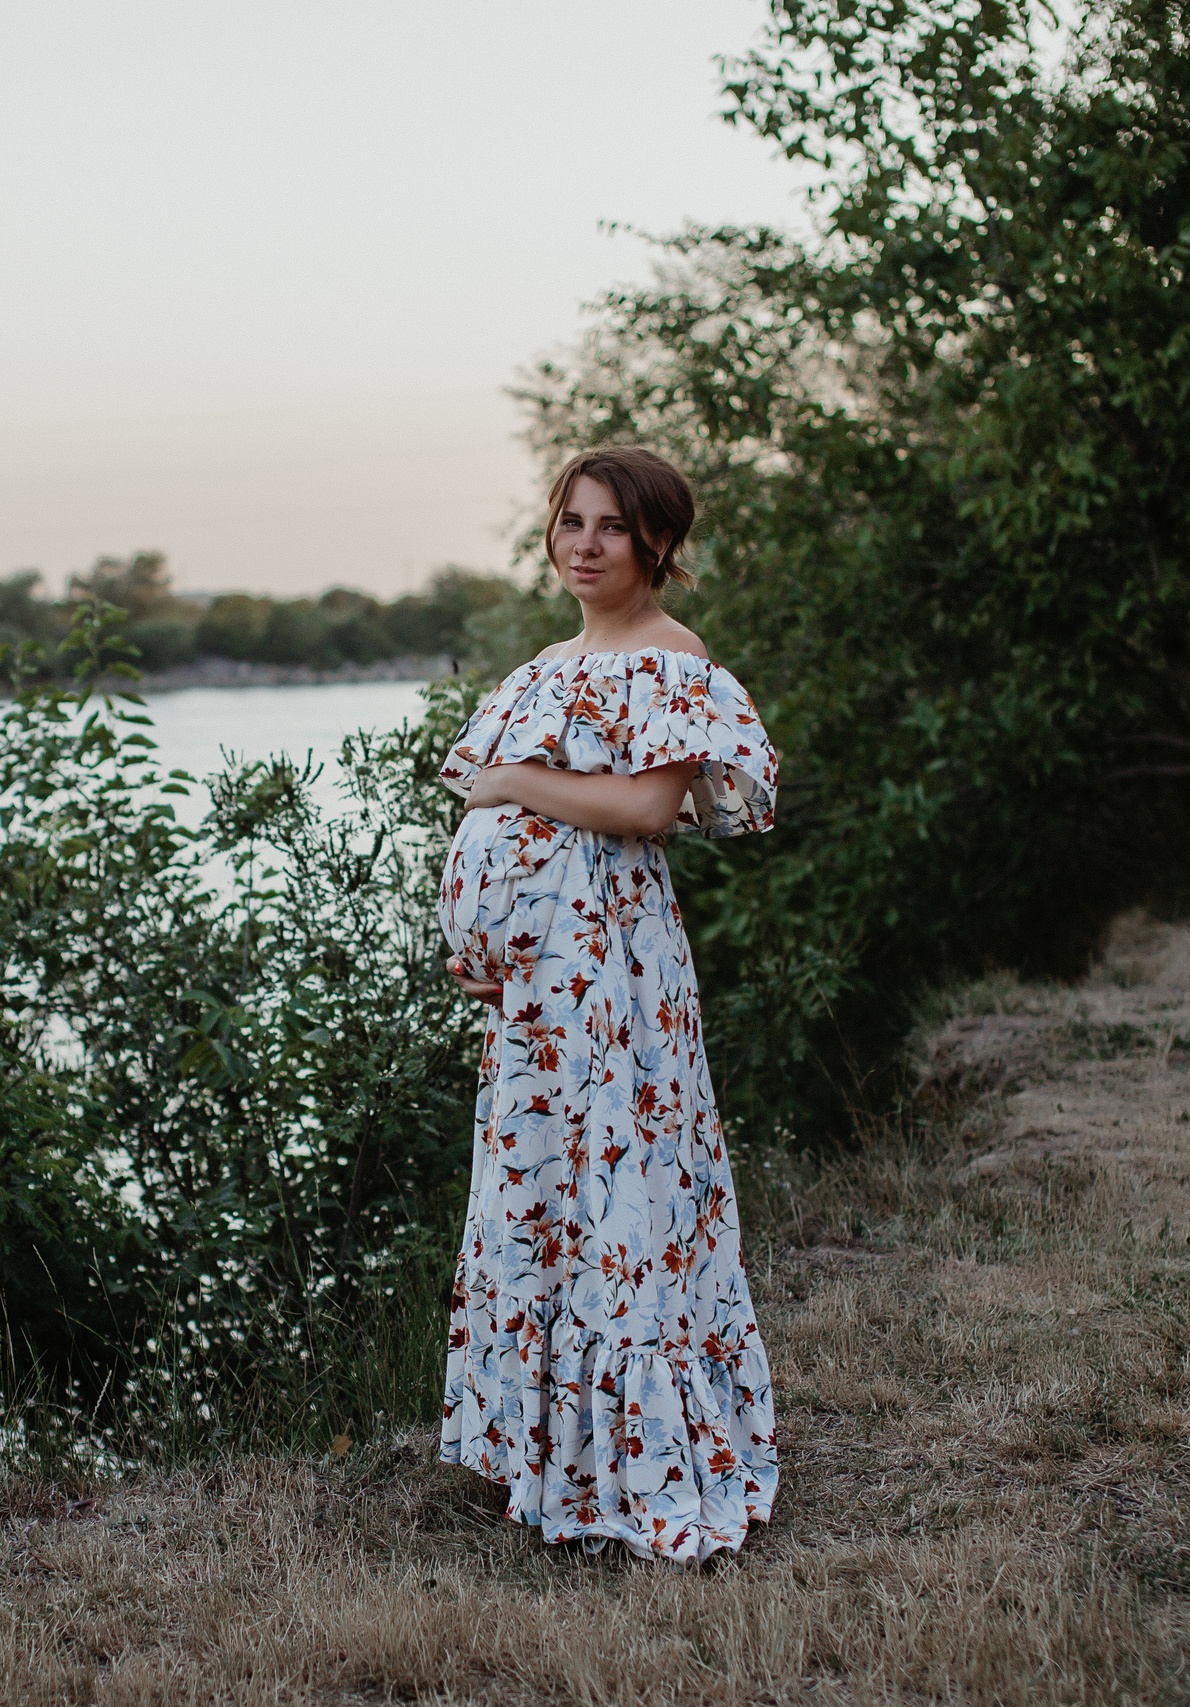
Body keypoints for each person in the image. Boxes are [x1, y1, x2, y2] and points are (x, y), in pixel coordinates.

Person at [435, 445, 779, 1562]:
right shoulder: (543, 664)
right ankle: (553, 1465)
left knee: (619, 1192)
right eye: (570, 521)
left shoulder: (668, 656)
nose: (583, 545)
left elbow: (641, 807)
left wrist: (507, 784)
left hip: (615, 972)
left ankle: (637, 1464)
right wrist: (482, 942)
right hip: (538, 985)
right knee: (548, 1192)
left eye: (611, 527)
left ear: (658, 545)